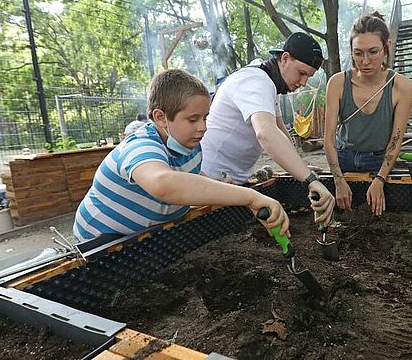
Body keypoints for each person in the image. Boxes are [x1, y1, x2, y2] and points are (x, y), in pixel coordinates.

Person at [73, 69, 290, 242]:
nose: (203, 127)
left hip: (146, 238)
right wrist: (251, 197)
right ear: (161, 117)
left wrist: (219, 186)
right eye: (193, 119)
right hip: (100, 244)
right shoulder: (140, 146)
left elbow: (189, 176)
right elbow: (164, 183)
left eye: (206, 117)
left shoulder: (191, 146)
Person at [201, 32, 335, 226]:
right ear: (285, 58)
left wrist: (300, 169)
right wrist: (310, 180)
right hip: (211, 179)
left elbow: (281, 132)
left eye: (309, 76)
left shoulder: (267, 80)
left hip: (234, 183)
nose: (304, 82)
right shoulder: (256, 81)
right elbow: (266, 133)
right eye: (302, 73)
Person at [324, 12, 412, 216]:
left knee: (382, 216)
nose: (365, 61)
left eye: (373, 52)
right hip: (342, 158)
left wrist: (380, 179)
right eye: (358, 53)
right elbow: (328, 138)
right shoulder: (337, 83)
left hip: (379, 161)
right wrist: (338, 180)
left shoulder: (402, 87)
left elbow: (396, 139)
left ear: (386, 47)